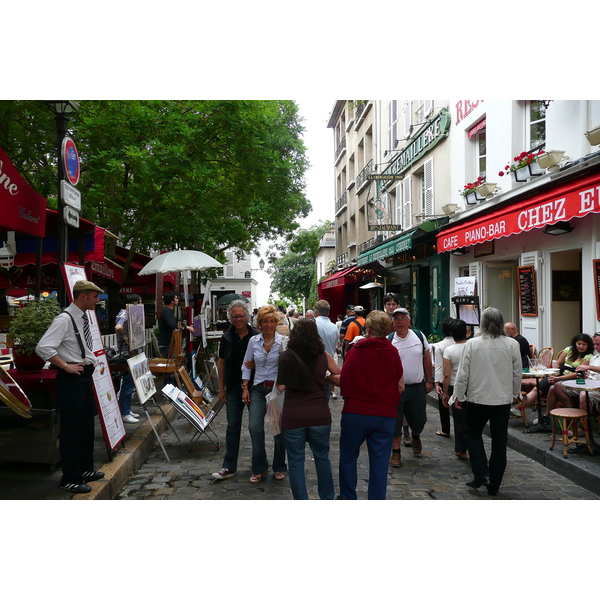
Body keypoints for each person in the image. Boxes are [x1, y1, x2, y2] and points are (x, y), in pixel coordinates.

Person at [36, 280, 105, 494]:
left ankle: (85, 469)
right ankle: (70, 478)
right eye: (95, 296)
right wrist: (65, 365)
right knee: (72, 429)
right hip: (71, 380)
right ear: (82, 296)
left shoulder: (82, 318)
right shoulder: (64, 319)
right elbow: (43, 347)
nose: (97, 300)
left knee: (85, 425)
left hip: (84, 376)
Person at [452, 307, 521, 496]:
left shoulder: (473, 344)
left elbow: (463, 373)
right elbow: (517, 373)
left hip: (478, 398)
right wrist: (515, 393)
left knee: (472, 433)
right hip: (501, 399)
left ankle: (482, 473)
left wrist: (458, 395)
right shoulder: (512, 344)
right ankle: (495, 482)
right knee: (500, 441)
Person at [338, 310, 405, 500]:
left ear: (368, 329)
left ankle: (348, 496)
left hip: (356, 412)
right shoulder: (392, 351)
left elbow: (345, 380)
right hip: (384, 415)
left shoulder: (357, 350)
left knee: (349, 457)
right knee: (380, 463)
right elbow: (400, 385)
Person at [277, 319, 341, 499]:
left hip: (293, 415)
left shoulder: (285, 356)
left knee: (296, 461)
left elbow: (281, 387)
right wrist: (324, 378)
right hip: (319, 414)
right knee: (322, 458)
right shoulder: (323, 355)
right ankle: (327, 497)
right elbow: (337, 373)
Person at [211, 300, 259, 480]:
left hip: (254, 387)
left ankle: (258, 466)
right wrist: (221, 388)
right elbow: (221, 363)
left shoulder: (255, 336)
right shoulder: (227, 337)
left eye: (241, 315)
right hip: (232, 388)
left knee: (256, 428)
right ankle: (229, 466)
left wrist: (256, 363)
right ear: (230, 318)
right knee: (232, 426)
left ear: (247, 316)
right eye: (235, 316)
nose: (238, 319)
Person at [241, 305, 287, 483]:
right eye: (265, 321)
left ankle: (279, 466)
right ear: (259, 323)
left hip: (276, 390)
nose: (268, 324)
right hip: (258, 388)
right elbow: (246, 364)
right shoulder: (254, 341)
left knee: (278, 429)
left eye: (272, 321)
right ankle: (259, 466)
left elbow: (287, 366)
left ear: (276, 323)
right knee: (254, 427)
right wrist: (245, 387)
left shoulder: (283, 341)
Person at [513, 333, 593, 422]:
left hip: (573, 379)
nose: (581, 346)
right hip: (559, 375)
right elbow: (558, 364)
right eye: (579, 344)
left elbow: (578, 373)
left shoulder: (588, 356)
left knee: (552, 388)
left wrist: (557, 379)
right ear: (575, 343)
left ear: (588, 345)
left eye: (584, 344)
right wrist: (552, 374)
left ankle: (549, 416)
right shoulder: (569, 350)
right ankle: (517, 409)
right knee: (538, 388)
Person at [389, 307, 433, 465]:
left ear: (409, 321)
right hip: (396, 389)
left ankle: (415, 435)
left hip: (416, 387)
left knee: (418, 419)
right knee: (395, 421)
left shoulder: (419, 336)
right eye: (396, 319)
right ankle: (396, 453)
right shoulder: (390, 340)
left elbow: (427, 358)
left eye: (403, 318)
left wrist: (429, 380)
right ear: (392, 323)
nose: (399, 322)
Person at [441, 319, 468, 459]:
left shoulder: (449, 350)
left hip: (454, 386)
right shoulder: (471, 346)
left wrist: (445, 393)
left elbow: (447, 374)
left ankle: (461, 449)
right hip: (471, 385)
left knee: (459, 419)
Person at [115, 293, 142, 423]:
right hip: (128, 352)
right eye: (140, 302)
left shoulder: (128, 314)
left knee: (131, 382)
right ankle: (124, 412)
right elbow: (118, 327)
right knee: (128, 382)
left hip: (132, 351)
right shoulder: (125, 314)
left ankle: (126, 409)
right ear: (135, 303)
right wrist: (127, 339)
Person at [433, 317, 455, 438]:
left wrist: (436, 383)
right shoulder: (462, 344)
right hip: (458, 380)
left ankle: (445, 429)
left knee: (443, 406)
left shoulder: (440, 346)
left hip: (444, 380)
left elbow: (439, 367)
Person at [313, 299, 339, 399]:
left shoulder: (313, 324)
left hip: (314, 365)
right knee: (325, 397)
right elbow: (335, 346)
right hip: (329, 365)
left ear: (316, 312)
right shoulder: (334, 327)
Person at [158, 291, 193, 358]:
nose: (178, 300)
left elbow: (177, 322)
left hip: (169, 344)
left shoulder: (169, 311)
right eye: (176, 298)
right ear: (172, 301)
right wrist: (187, 327)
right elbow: (173, 325)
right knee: (171, 364)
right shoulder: (166, 311)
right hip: (167, 344)